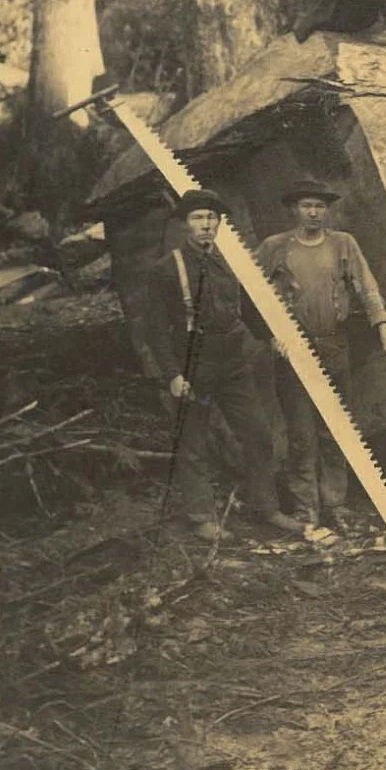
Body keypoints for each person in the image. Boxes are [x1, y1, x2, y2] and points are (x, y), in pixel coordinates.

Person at [144, 190, 305, 541]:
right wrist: (173, 374)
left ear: (219, 224)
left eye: (211, 218)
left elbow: (244, 309)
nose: (206, 225)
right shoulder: (166, 268)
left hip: (233, 364)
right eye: (198, 218)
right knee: (193, 443)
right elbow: (155, 328)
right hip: (192, 365)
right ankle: (201, 516)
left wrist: (269, 336)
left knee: (258, 435)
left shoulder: (228, 264)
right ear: (186, 224)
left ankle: (266, 508)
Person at [253, 181, 386, 529]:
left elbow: (367, 289)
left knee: (335, 428)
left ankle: (335, 503)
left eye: (319, 206)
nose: (313, 212)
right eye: (306, 205)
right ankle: (306, 507)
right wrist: (271, 334)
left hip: (334, 344)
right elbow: (250, 293)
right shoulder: (274, 247)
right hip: (293, 349)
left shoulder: (343, 244)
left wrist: (384, 331)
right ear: (294, 209)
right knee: (301, 431)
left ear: (327, 211)